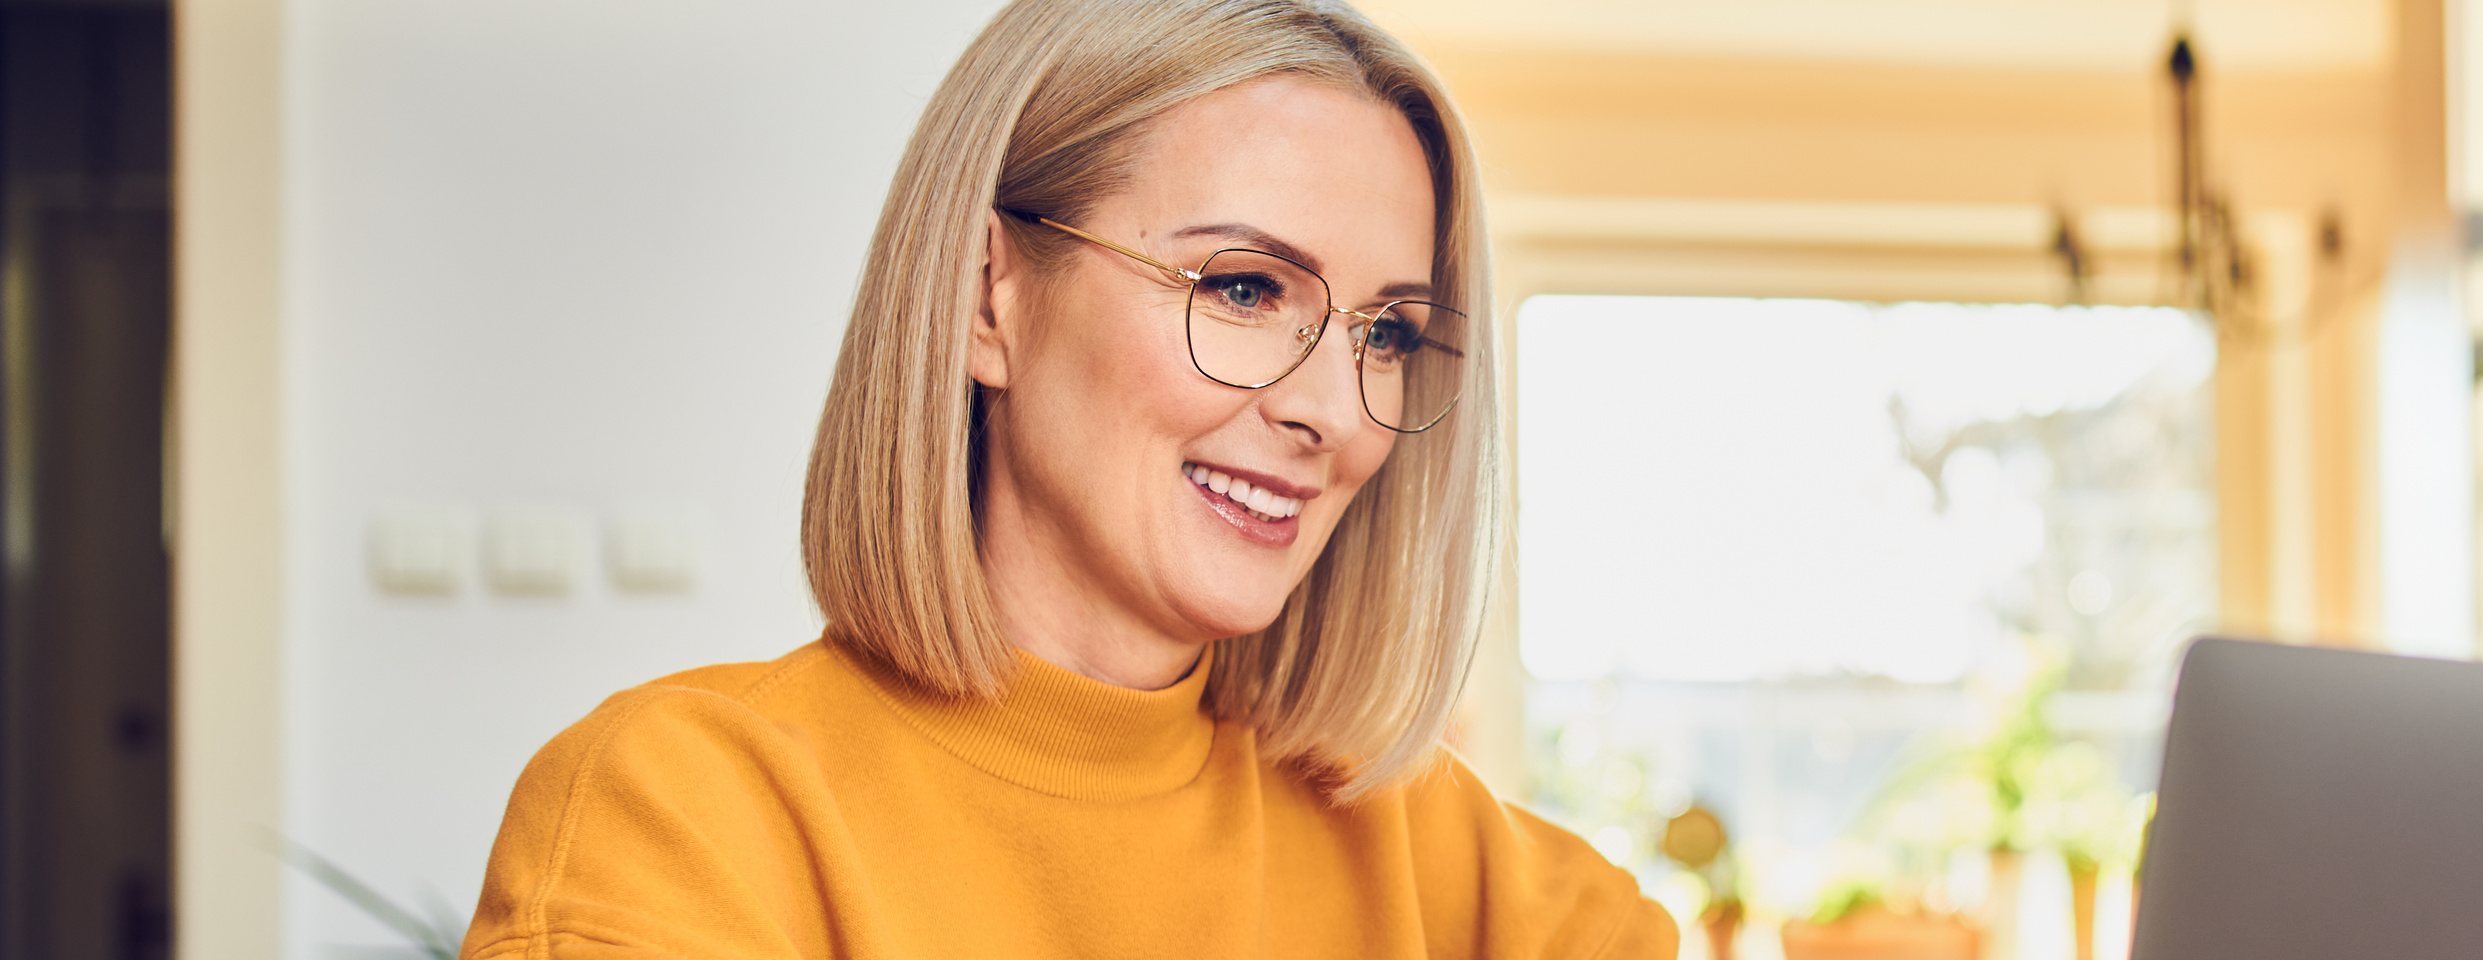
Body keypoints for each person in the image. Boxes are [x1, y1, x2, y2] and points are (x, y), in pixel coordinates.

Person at [458, 1, 1672, 956]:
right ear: (991, 293)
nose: (1326, 410)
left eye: (1387, 335)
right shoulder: (689, 811)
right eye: (1244, 289)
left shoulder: (1436, 860)